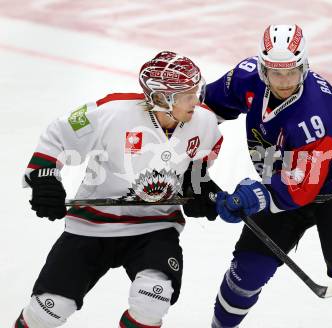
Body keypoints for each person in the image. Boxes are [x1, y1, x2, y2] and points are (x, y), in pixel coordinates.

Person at [204, 25, 332, 327]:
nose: (285, 81)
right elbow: (204, 107)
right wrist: (188, 155)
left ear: (305, 65)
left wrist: (251, 196)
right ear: (262, 68)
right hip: (285, 181)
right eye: (276, 73)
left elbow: (300, 188)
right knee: (247, 270)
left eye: (292, 72)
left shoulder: (315, 112)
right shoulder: (247, 77)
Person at [14, 51, 222, 328]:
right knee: (47, 312)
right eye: (186, 94)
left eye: (195, 91)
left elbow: (199, 162)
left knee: (152, 300)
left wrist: (197, 185)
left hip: (155, 226)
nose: (195, 100)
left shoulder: (205, 122)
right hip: (92, 224)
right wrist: (45, 179)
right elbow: (59, 134)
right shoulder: (112, 112)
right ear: (160, 98)